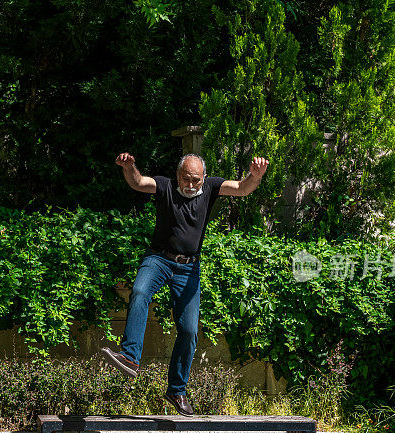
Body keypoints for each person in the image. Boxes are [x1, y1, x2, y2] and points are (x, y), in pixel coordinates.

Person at [99, 151, 268, 416]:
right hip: (159, 259)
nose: (191, 185)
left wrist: (254, 176)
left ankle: (176, 390)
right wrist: (130, 166)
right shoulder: (165, 186)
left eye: (196, 180)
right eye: (187, 179)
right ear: (178, 176)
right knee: (141, 291)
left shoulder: (211, 187)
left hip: (189, 268)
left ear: (203, 178)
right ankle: (130, 356)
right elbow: (138, 182)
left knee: (189, 331)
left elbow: (242, 188)